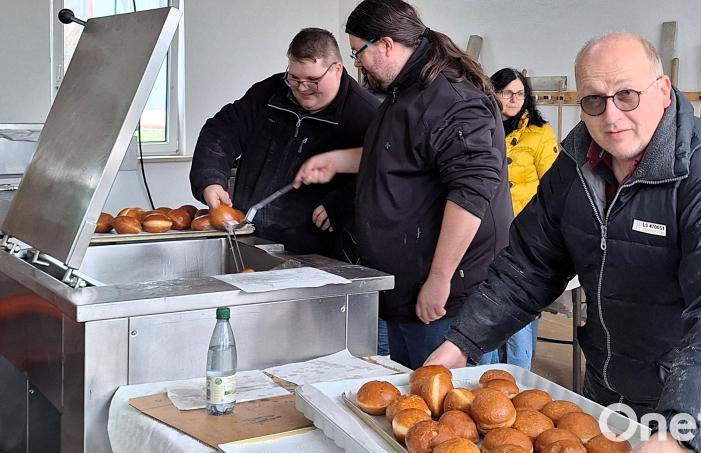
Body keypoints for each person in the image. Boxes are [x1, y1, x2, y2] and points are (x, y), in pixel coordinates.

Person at [427, 33, 701, 453]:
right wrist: (461, 344)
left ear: (663, 90)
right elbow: (528, 266)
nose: (611, 116)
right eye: (594, 100)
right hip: (611, 391)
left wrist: (682, 434)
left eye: (627, 95)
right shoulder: (575, 166)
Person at [295, 0, 513, 369]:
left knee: (445, 400)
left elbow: (472, 192)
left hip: (447, 298)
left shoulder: (452, 99)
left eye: (358, 52)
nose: (357, 63)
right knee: (411, 396)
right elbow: (399, 153)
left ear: (385, 44)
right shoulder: (407, 91)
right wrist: (336, 162)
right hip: (407, 288)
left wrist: (439, 279)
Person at [190, 28, 379, 259]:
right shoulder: (268, 93)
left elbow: (384, 175)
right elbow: (221, 131)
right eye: (294, 78)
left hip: (317, 255)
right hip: (249, 239)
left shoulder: (366, 115)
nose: (302, 88)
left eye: (313, 81)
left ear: (337, 69)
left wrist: (344, 205)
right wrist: (210, 180)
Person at [481, 68, 558, 370]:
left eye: (520, 93)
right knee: (486, 299)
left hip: (524, 231)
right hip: (486, 228)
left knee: (517, 303)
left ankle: (516, 373)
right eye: (507, 92)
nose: (514, 99)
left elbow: (553, 186)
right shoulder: (481, 126)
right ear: (493, 93)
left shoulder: (539, 133)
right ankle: (485, 371)